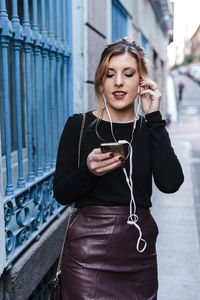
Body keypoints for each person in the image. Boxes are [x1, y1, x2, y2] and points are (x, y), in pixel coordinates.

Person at [53, 37, 184, 300]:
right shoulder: (78, 126)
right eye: (110, 74)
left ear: (141, 81)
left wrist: (155, 119)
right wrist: (88, 171)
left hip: (139, 252)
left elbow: (170, 183)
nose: (119, 82)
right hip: (86, 254)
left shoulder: (149, 130)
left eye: (128, 73)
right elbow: (61, 193)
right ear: (101, 80)